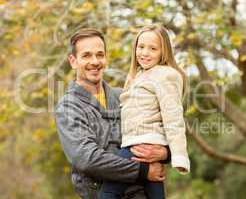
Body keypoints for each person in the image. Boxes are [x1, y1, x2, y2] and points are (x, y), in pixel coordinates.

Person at [54, 28, 170, 199]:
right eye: (86, 55)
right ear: (73, 61)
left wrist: (165, 153)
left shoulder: (124, 95)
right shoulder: (68, 107)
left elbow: (161, 128)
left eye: (100, 55)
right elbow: (88, 159)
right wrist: (143, 170)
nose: (95, 61)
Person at [100, 25, 190, 199]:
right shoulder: (138, 76)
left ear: (164, 52)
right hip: (140, 145)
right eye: (141, 47)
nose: (145, 53)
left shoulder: (166, 75)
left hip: (140, 145)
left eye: (153, 48)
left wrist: (178, 155)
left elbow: (174, 118)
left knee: (108, 191)